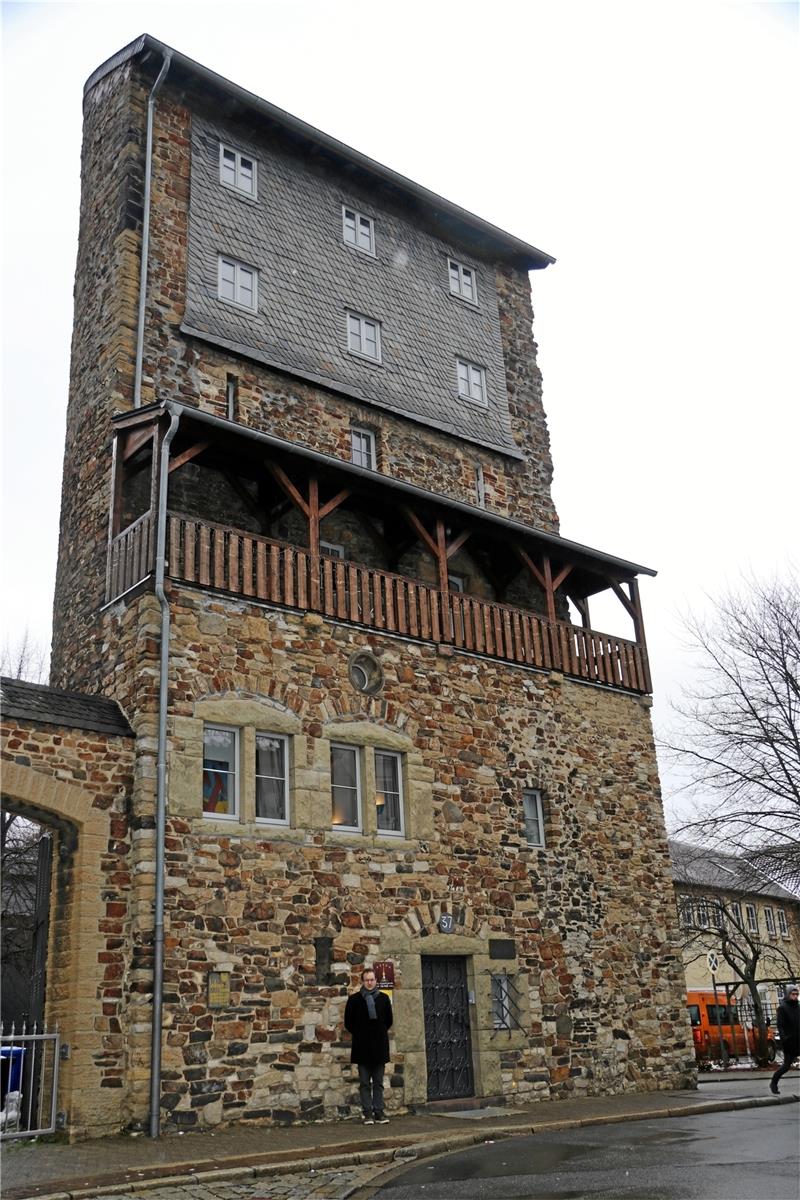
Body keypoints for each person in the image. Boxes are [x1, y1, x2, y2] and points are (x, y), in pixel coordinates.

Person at [344, 966, 393, 1124]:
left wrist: (377, 1032)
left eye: (372, 979)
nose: (370, 982)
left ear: (376, 980)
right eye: (367, 980)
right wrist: (361, 1033)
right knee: (364, 1083)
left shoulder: (384, 999)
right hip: (362, 1047)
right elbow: (348, 1023)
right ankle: (367, 1113)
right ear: (363, 981)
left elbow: (388, 1021)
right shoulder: (354, 1000)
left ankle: (379, 1112)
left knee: (378, 1083)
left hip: (379, 1046)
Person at [770, 983, 799, 1094]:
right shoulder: (783, 1008)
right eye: (793, 994)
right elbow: (780, 1025)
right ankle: (773, 1083)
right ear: (788, 994)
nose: (795, 996)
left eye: (797, 994)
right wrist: (784, 1038)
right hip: (790, 1042)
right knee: (786, 1066)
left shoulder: (798, 1007)